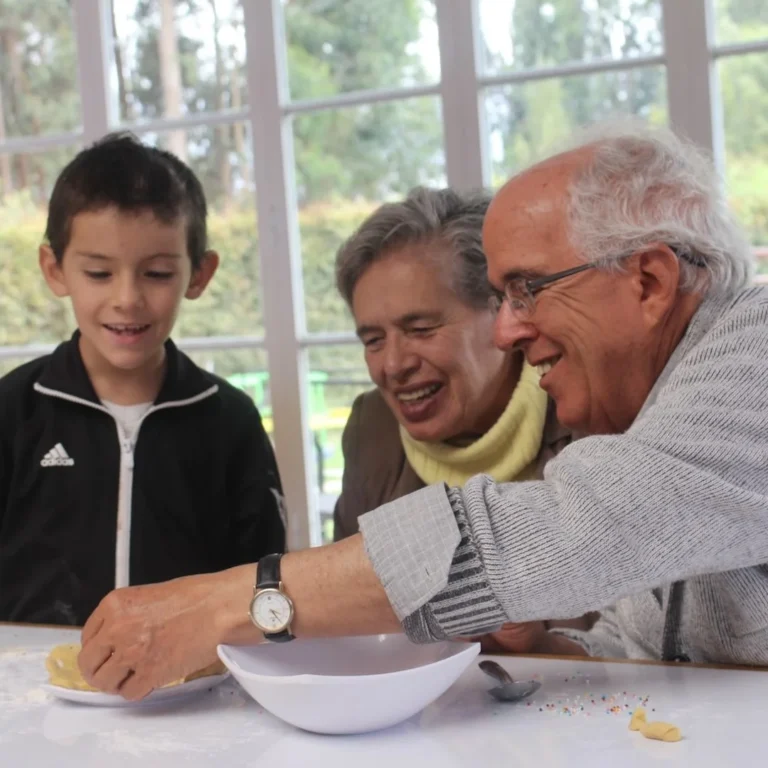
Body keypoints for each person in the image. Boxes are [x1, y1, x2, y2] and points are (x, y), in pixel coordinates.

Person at [77, 121, 768, 701]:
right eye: (372, 338)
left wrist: (223, 604)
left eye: (526, 290)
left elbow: (571, 523)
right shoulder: (648, 416)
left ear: (649, 281)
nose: (507, 330)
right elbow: (643, 650)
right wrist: (544, 646)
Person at [0, 133, 285, 626]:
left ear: (199, 274)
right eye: (99, 273)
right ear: (55, 269)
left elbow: (263, 586)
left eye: (156, 274)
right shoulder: (11, 410)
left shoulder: (230, 422)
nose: (127, 299)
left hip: (194, 675)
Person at [332, 187, 592, 645]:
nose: (393, 365)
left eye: (420, 329)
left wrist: (543, 639)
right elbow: (349, 610)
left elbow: (635, 625)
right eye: (373, 340)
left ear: (502, 312)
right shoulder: (372, 426)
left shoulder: (587, 405)